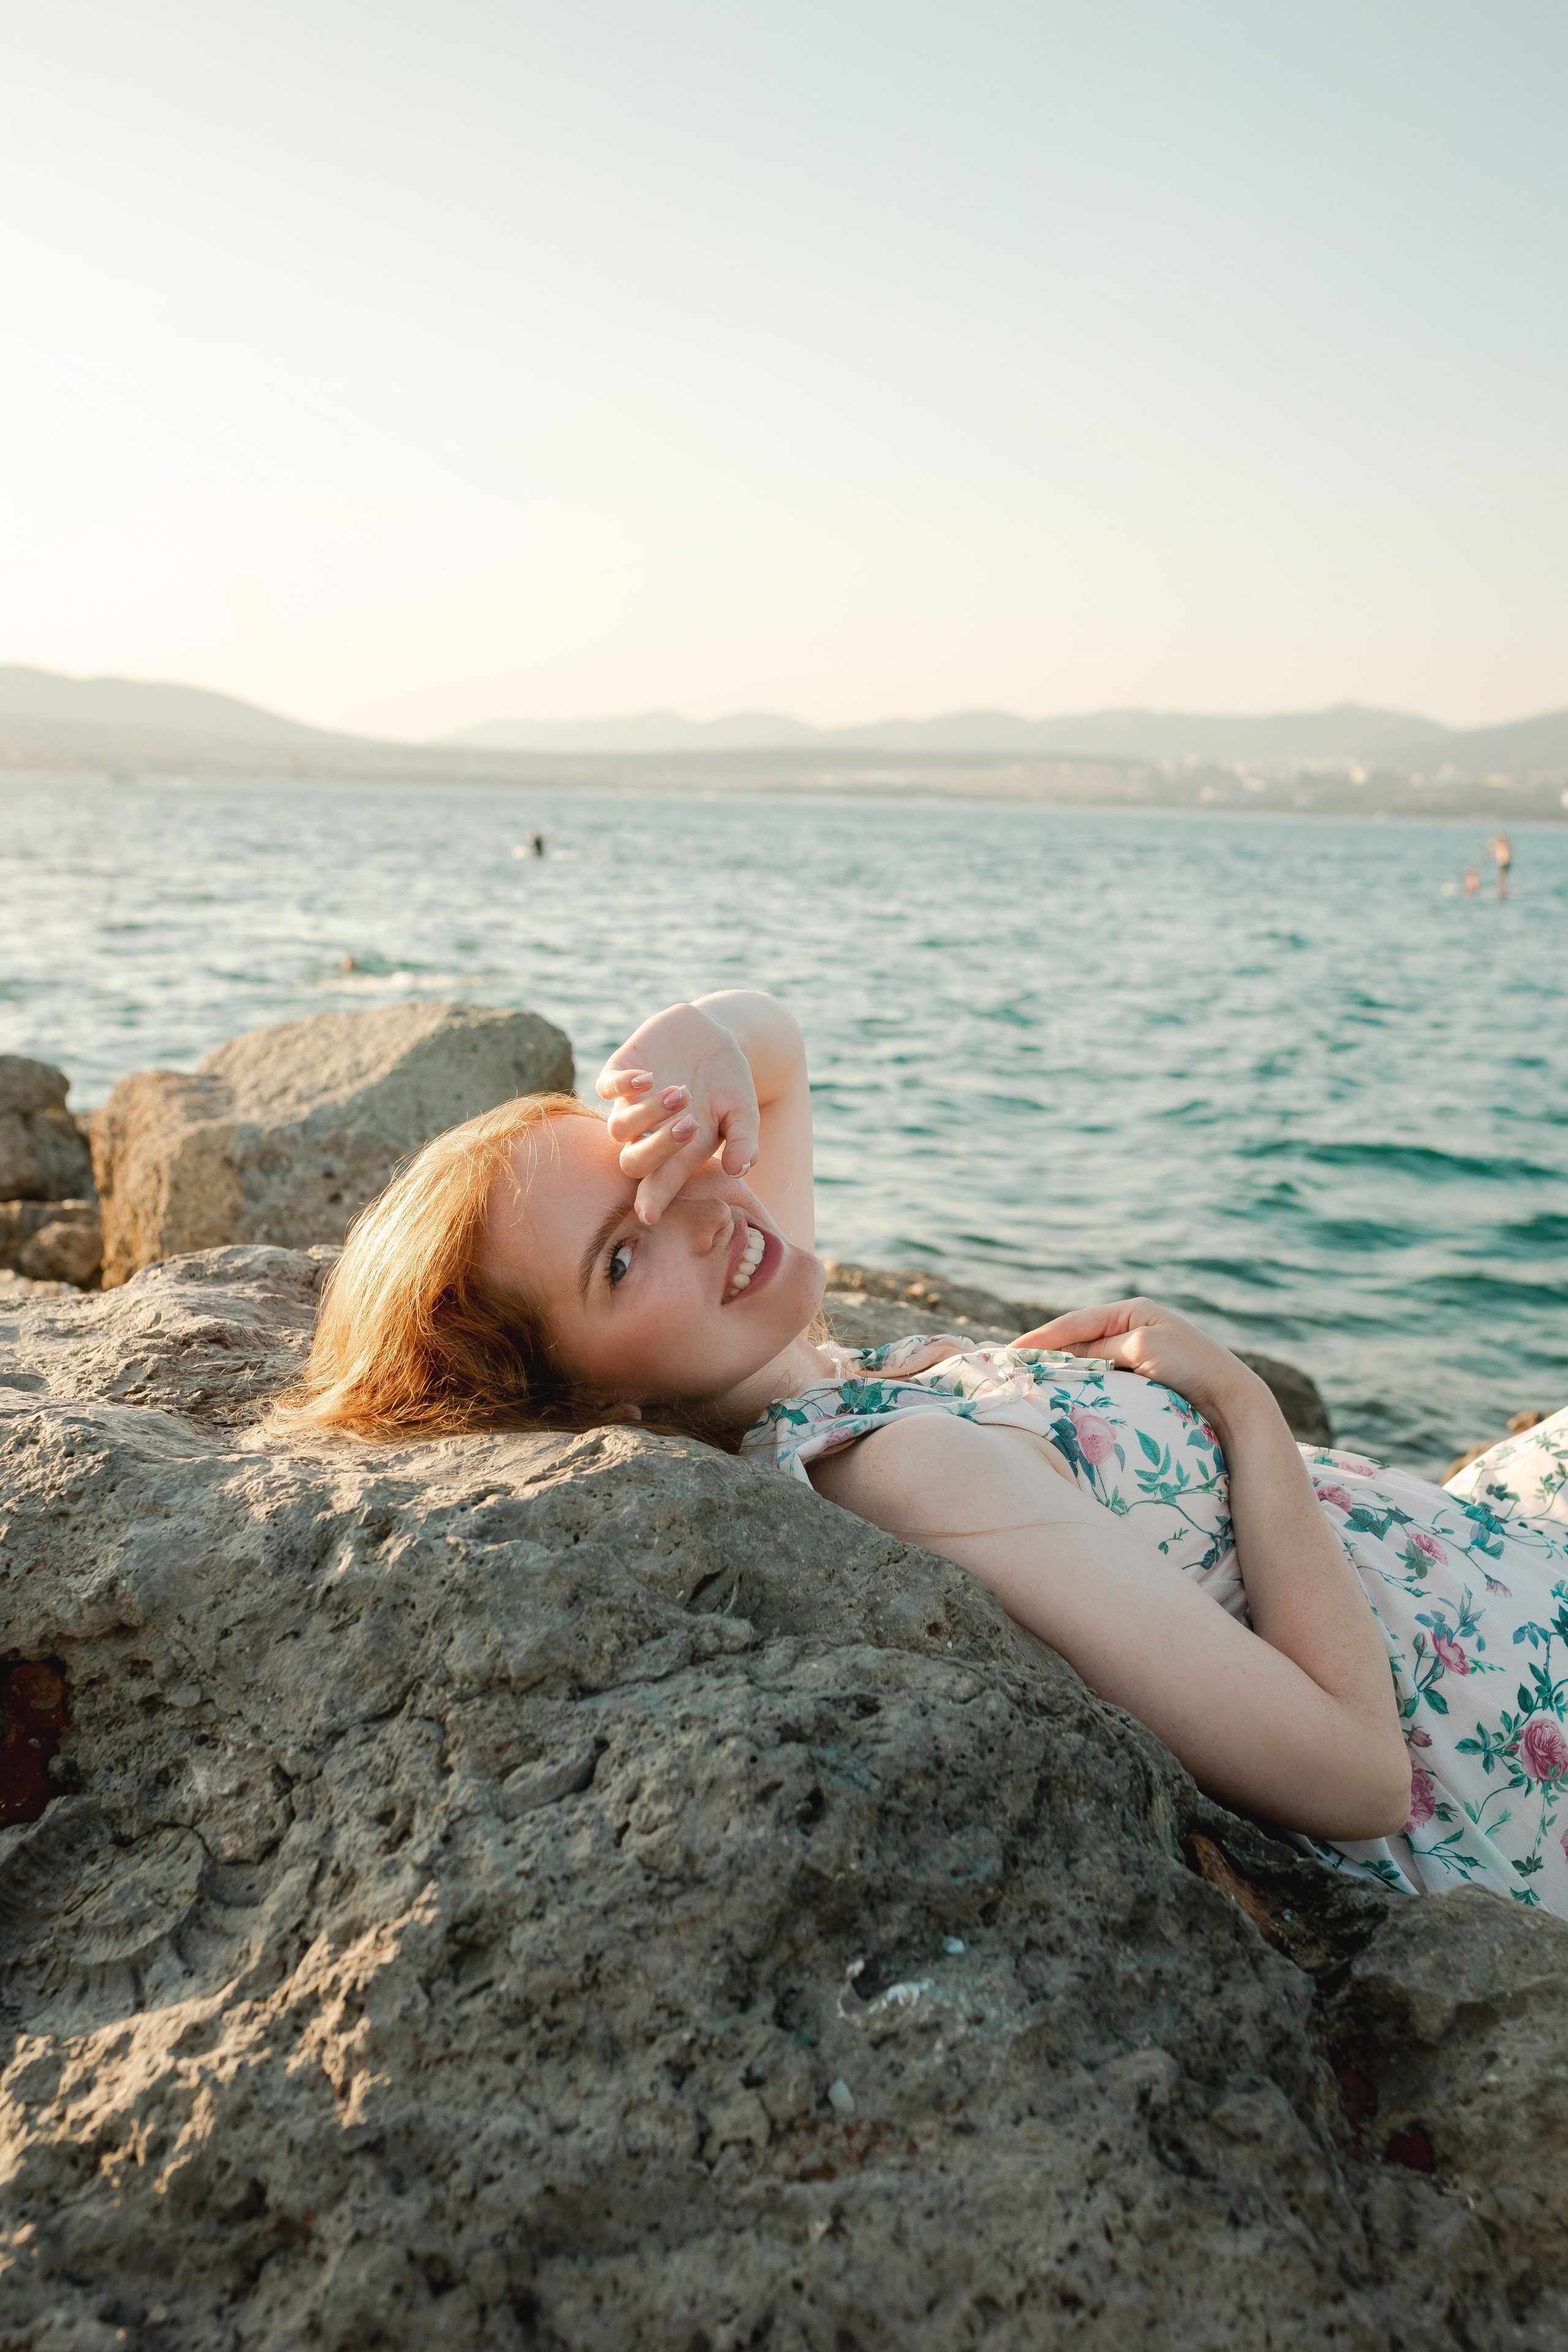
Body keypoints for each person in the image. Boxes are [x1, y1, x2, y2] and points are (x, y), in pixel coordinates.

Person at [279, 991, 1568, 1918]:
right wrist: (1244, 1412)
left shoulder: (797, 1366)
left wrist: (697, 1042)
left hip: (1480, 1558)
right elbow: (1351, 1777)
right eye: (619, 1254)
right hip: (1503, 1733)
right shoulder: (894, 1468)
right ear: (588, 1413)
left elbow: (771, 1059)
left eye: (660, 1163)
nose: (704, 1214)